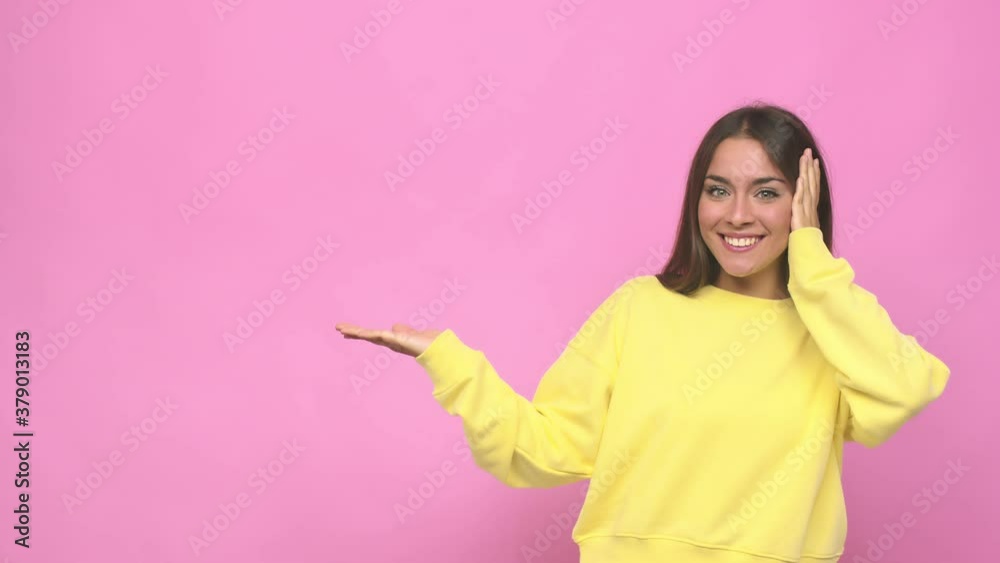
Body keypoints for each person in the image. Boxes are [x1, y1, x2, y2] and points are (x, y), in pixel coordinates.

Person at [336, 104, 951, 562]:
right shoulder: (640, 309)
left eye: (767, 193)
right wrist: (451, 364)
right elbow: (548, 448)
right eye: (718, 191)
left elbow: (902, 391)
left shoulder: (833, 333)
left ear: (803, 206)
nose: (737, 214)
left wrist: (813, 265)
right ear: (695, 201)